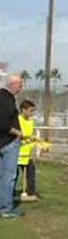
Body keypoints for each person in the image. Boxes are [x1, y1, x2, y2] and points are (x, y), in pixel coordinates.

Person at [0, 74, 24, 219]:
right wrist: (18, 132)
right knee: (9, 176)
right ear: (12, 84)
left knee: (2, 176)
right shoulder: (6, 100)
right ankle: (6, 208)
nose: (21, 88)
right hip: (8, 142)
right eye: (20, 85)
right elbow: (3, 124)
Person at [16, 100, 40, 201]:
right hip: (16, 152)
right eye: (30, 111)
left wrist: (33, 140)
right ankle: (9, 193)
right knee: (14, 174)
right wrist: (25, 138)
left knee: (31, 172)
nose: (32, 113)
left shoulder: (31, 121)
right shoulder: (16, 120)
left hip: (27, 152)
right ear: (23, 110)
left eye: (33, 111)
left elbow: (29, 135)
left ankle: (31, 193)